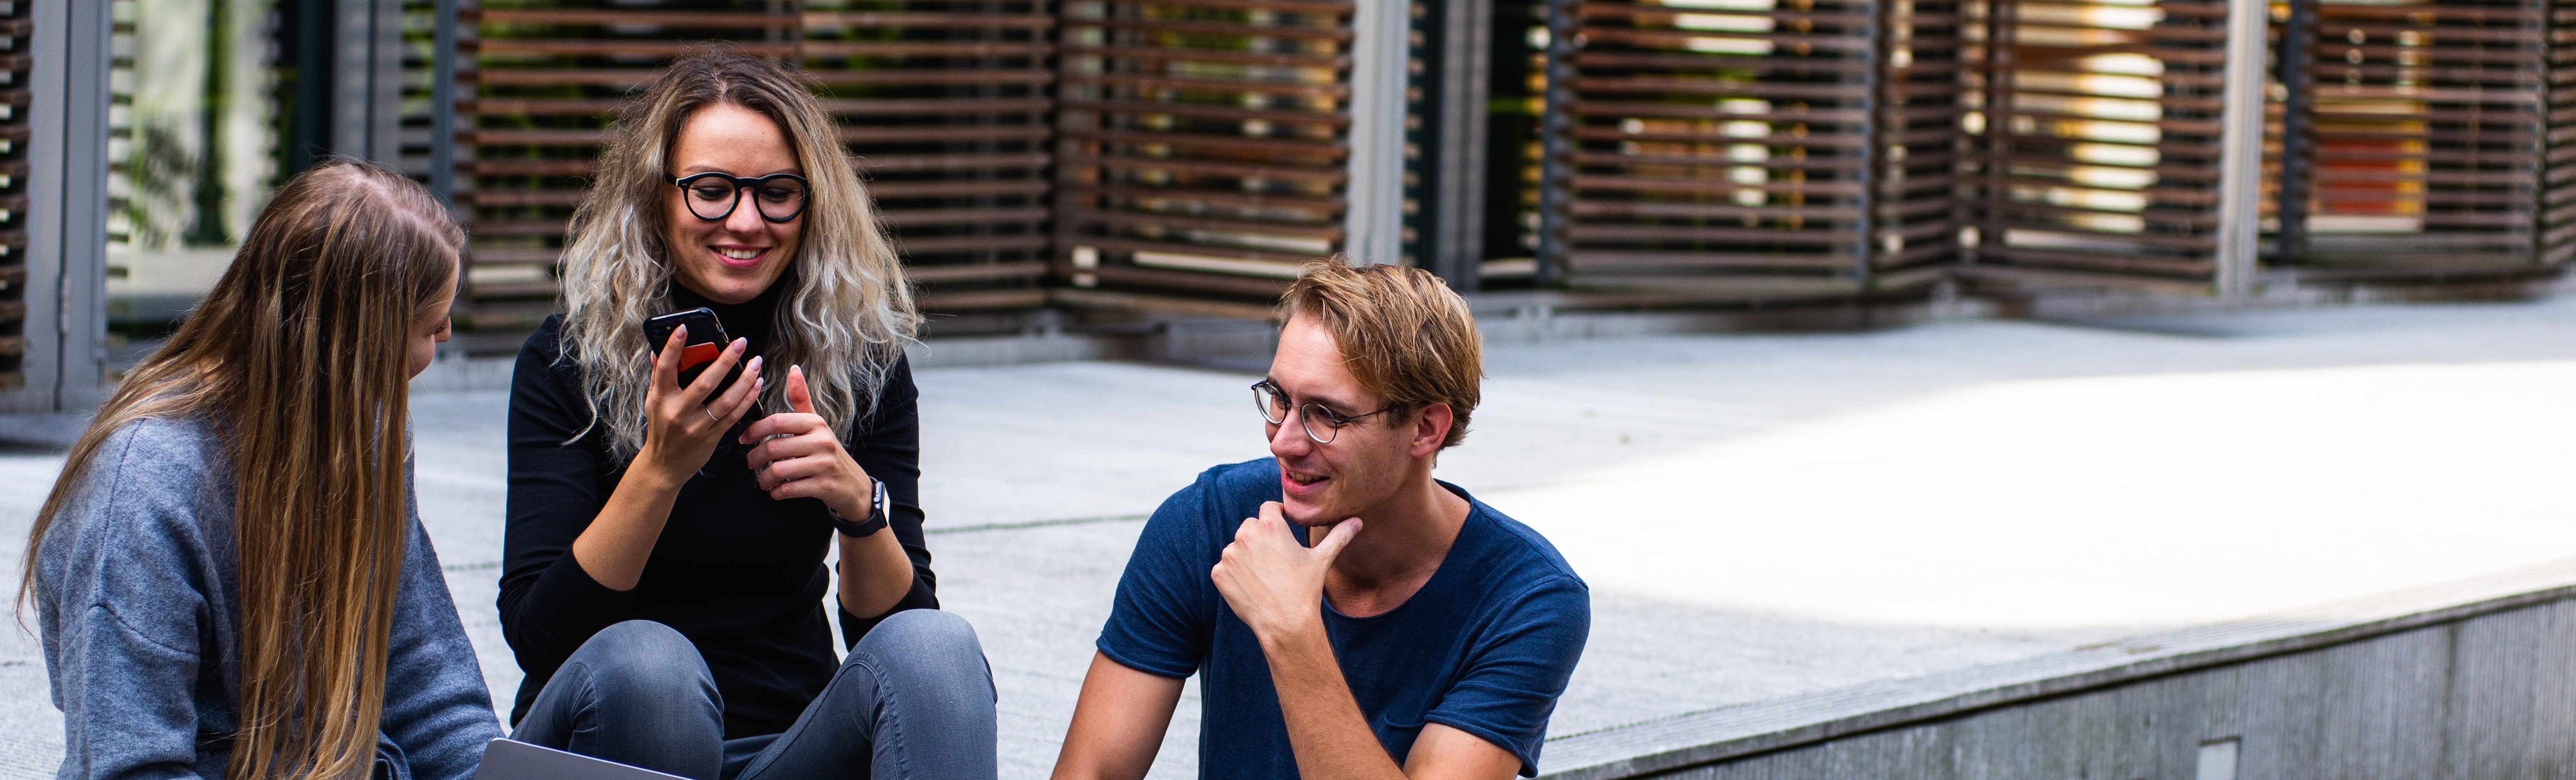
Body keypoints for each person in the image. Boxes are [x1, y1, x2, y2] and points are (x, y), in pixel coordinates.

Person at [498, 51, 994, 780]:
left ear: (813, 200)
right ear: (657, 197)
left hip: (788, 745)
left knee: (937, 645)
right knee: (650, 663)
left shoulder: (856, 359)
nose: (746, 219)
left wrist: (859, 504)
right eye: (712, 190)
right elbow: (541, 637)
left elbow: (892, 635)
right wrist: (661, 469)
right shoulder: (569, 357)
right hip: (612, 738)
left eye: (777, 192)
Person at [24, 161, 500, 780]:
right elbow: (133, 763)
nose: (446, 336)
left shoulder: (369, 435)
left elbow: (428, 689)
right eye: (431, 327)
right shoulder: (143, 488)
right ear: (352, 344)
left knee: (623, 672)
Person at [1051, 259, 1592, 780]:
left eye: (1325, 415)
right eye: (1279, 399)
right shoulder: (1207, 521)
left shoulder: (1528, 601)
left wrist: (1292, 631)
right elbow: (1091, 770)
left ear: (1425, 429)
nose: (1283, 441)